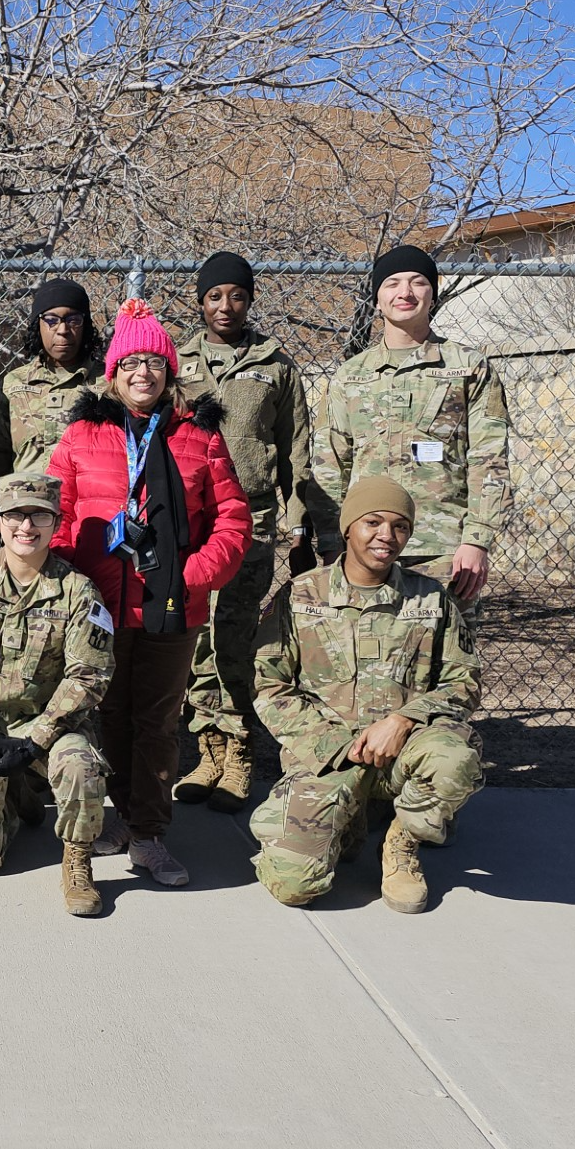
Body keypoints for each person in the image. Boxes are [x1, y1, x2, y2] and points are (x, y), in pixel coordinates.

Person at [46, 298, 252, 888]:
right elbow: (59, 513)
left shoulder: (199, 437)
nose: (144, 374)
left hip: (171, 604)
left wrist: (192, 574)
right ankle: (117, 818)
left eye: (155, 364)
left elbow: (232, 519)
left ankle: (150, 833)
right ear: (112, 373)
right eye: (131, 363)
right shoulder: (83, 436)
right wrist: (70, 581)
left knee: (158, 721)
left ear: (170, 371)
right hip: (101, 604)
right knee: (108, 714)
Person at [250, 476, 483, 913]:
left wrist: (404, 720)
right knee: (294, 886)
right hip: (329, 755)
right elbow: (269, 684)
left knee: (455, 759)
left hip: (403, 751)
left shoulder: (431, 598)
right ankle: (349, 818)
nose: (386, 536)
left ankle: (400, 844)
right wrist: (340, 747)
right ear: (349, 527)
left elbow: (464, 680)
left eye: (400, 527)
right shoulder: (302, 597)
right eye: (373, 522)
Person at [172, 250, 335, 814]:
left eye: (236, 295)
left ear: (250, 300)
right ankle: (207, 749)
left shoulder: (276, 365)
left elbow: (295, 450)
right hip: (192, 520)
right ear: (200, 301)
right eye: (215, 296)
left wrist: (295, 521)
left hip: (254, 521)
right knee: (194, 633)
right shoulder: (178, 361)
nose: (225, 306)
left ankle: (239, 749)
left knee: (235, 632)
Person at [0, 472, 114, 917]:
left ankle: (77, 859)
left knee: (81, 766)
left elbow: (89, 675)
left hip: (50, 724)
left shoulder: (77, 590)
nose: (25, 526)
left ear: (56, 522)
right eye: (15, 515)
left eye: (39, 516)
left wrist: (38, 739)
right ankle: (15, 796)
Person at [313, 243, 511, 603]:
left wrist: (476, 540)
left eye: (417, 282)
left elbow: (489, 459)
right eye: (392, 283)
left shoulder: (469, 368)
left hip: (444, 550)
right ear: (377, 299)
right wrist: (331, 542)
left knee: (449, 658)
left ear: (431, 293)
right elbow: (330, 463)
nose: (404, 292)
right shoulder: (350, 376)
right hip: (364, 549)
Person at [0, 279, 104, 542]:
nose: (63, 331)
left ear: (86, 325)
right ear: (38, 324)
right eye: (51, 320)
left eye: (74, 320)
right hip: (25, 525)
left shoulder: (108, 384)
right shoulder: (14, 385)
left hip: (87, 525)